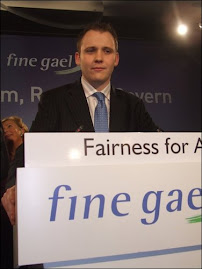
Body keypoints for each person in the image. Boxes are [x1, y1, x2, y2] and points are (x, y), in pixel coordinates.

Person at [1, 22, 161, 226]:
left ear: (116, 59)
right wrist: (15, 184)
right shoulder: (54, 100)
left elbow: (161, 144)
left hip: (124, 210)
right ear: (78, 58)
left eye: (107, 51)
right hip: (72, 214)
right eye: (91, 50)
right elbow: (29, 150)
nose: (99, 58)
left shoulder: (133, 105)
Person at [1, 116, 28, 268]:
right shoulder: (4, 160)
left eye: (10, 126)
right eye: (3, 129)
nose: (6, 130)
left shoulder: (29, 149)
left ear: (22, 130)